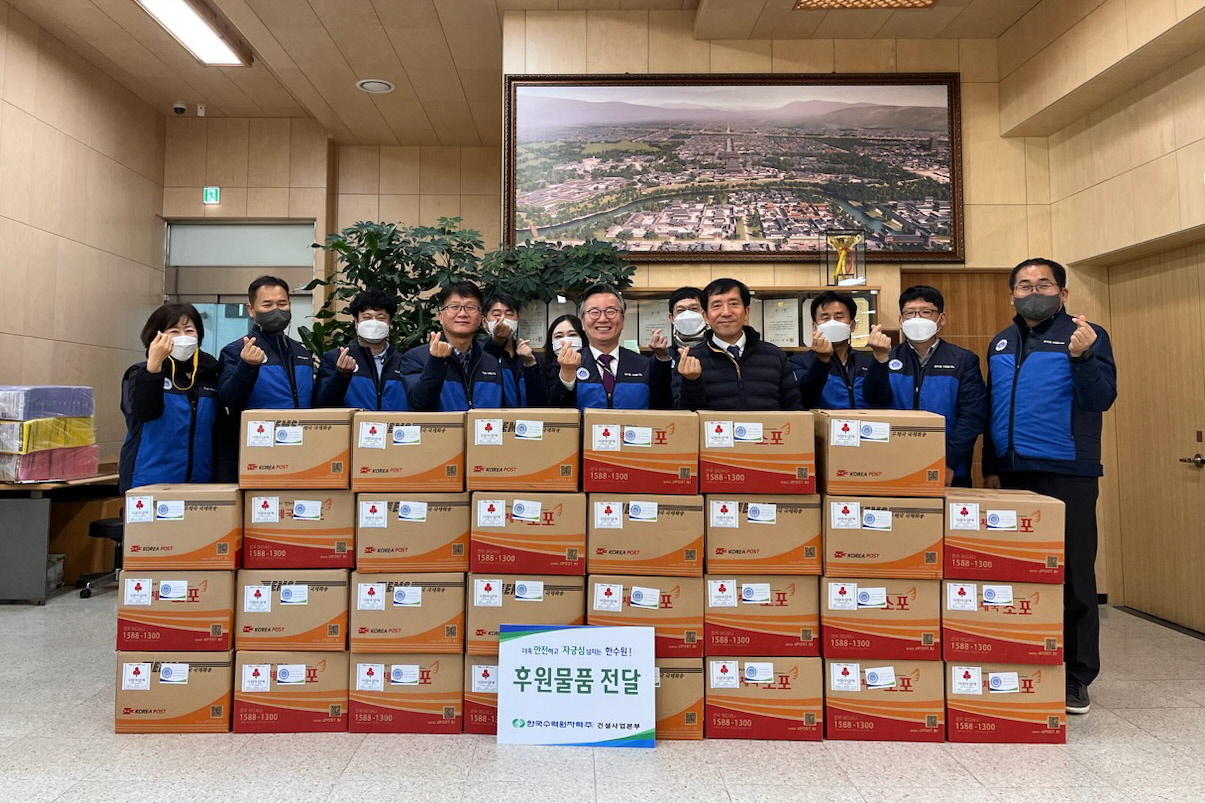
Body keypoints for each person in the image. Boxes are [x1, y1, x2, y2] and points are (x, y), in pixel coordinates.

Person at [982, 257, 1117, 716]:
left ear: (1063, 292)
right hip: (1015, 473)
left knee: (1074, 575)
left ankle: (1078, 677)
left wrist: (1082, 358)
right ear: (1012, 294)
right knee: (1018, 574)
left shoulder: (1086, 334)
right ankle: (1026, 657)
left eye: (1043, 283)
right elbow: (994, 407)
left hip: (1067, 471)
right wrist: (992, 466)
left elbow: (1102, 398)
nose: (1032, 290)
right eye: (1023, 284)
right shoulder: (1001, 341)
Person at [862, 285, 987, 486]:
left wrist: (949, 462)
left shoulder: (963, 360)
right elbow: (872, 400)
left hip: (951, 469)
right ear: (901, 321)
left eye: (926, 312)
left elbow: (973, 416)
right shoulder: (886, 356)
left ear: (941, 319)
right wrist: (879, 359)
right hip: (893, 464)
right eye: (910, 313)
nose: (917, 318)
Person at [120, 304, 226, 493]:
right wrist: (154, 366)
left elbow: (218, 432)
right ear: (157, 336)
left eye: (189, 330)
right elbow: (144, 412)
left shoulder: (209, 375)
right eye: (174, 331)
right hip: (150, 482)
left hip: (200, 482)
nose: (183, 337)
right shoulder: (140, 373)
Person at [676, 278, 802, 411]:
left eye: (733, 304)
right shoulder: (689, 359)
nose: (726, 313)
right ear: (706, 316)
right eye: (717, 305)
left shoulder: (775, 356)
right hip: (716, 432)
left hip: (767, 431)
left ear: (746, 312)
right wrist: (691, 382)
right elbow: (684, 419)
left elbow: (794, 409)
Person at [547, 283, 673, 410]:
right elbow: (555, 415)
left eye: (611, 311)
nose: (602, 319)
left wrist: (662, 360)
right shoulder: (564, 365)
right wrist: (567, 375)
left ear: (623, 321)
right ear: (583, 323)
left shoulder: (644, 365)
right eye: (594, 312)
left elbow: (663, 410)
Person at [401, 281, 517, 411]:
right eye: (454, 307)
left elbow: (505, 412)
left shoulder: (491, 362)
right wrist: (436, 362)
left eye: (470, 308)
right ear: (441, 316)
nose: (462, 314)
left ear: (480, 318)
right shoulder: (417, 358)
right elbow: (418, 405)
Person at [219, 275, 313, 411]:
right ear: (251, 310)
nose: (276, 310)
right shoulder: (236, 350)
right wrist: (247, 366)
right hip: (258, 430)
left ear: (290, 306)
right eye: (267, 305)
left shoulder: (301, 353)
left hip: (301, 429)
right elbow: (228, 400)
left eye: (282, 304)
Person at [792, 290, 891, 409]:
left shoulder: (867, 363)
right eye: (825, 318)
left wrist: (880, 358)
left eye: (839, 317)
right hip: (822, 426)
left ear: (852, 325)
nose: (832, 323)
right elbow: (804, 399)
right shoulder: (799, 362)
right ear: (815, 326)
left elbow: (879, 400)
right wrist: (821, 362)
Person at [314, 290, 407, 410]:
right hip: (353, 428)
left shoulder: (403, 362)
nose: (374, 323)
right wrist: (341, 375)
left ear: (390, 322)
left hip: (394, 427)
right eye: (367, 317)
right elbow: (322, 405)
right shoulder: (335, 358)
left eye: (381, 318)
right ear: (356, 322)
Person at [482, 293, 546, 406]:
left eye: (509, 314)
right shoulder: (479, 354)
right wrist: (497, 340)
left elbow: (540, 400)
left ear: (517, 319)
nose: (503, 319)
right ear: (484, 322)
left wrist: (530, 364)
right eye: (497, 314)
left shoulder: (532, 357)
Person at [667, 286, 707, 408]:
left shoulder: (717, 350)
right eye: (680, 310)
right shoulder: (665, 355)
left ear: (705, 314)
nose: (687, 314)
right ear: (672, 318)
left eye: (694, 309)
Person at [541, 314, 586, 400]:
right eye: (559, 336)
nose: (565, 341)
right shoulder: (546, 368)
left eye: (572, 335)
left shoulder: (595, 362)